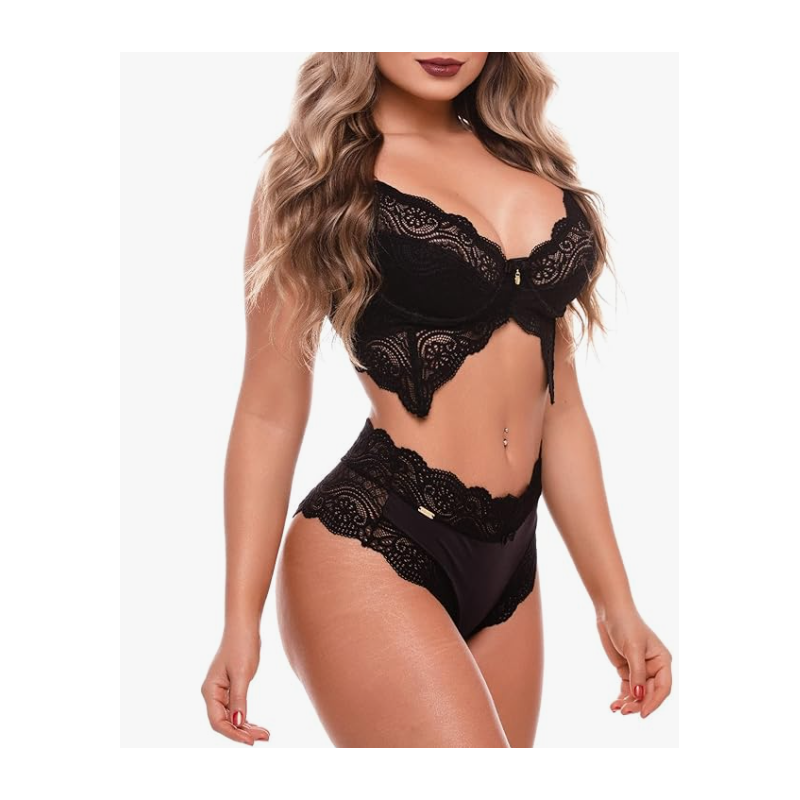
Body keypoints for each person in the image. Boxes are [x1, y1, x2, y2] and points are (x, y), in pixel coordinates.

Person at [200, 52, 673, 748]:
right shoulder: (318, 176)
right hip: (372, 542)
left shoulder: (526, 160)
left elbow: (560, 408)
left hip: (511, 560)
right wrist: (239, 620)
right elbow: (268, 413)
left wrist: (615, 601)